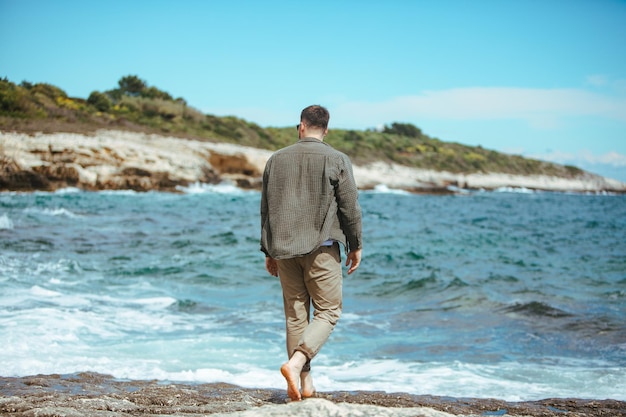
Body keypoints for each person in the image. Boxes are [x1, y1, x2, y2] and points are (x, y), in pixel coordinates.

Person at [260, 105, 363, 401]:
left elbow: (266, 208)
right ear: (326, 129)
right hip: (321, 247)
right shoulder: (337, 159)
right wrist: (355, 246)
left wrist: (268, 249)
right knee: (329, 310)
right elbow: (350, 208)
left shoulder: (276, 159)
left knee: (295, 317)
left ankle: (304, 386)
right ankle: (296, 364)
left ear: (301, 126)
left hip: (283, 248)